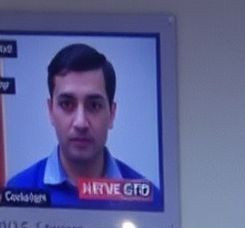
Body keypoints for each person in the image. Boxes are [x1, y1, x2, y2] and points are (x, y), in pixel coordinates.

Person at [5, 43, 160, 210]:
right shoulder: (17, 190)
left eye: (94, 105)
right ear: (50, 111)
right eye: (67, 104)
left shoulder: (150, 200)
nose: (80, 123)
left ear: (112, 114)